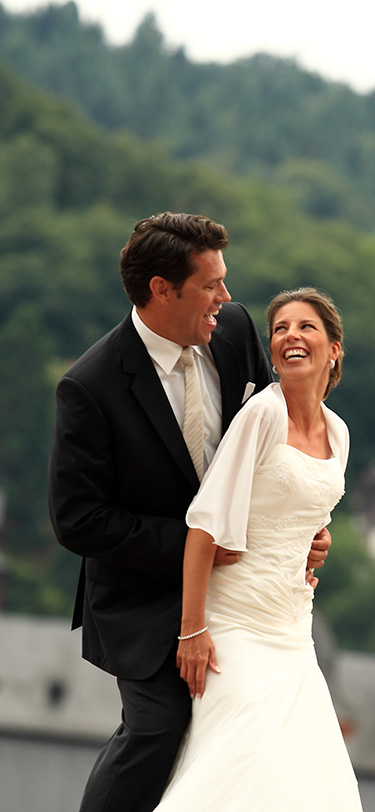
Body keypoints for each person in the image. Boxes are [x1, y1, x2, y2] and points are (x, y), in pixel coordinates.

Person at [48, 215, 331, 812]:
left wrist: (305, 523)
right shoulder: (90, 386)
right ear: (161, 289)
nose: (226, 298)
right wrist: (195, 541)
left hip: (247, 589)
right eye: (210, 285)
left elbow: (276, 439)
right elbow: (77, 520)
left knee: (263, 722)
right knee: (158, 728)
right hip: (142, 595)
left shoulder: (231, 330)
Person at [154, 286, 363, 812]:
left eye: (306, 326)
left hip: (293, 633)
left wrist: (318, 541)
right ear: (272, 351)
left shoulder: (339, 434)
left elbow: (304, 514)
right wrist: (192, 630)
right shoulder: (261, 415)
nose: (291, 335)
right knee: (246, 761)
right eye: (280, 329)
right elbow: (203, 526)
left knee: (311, 775)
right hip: (234, 627)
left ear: (334, 348)